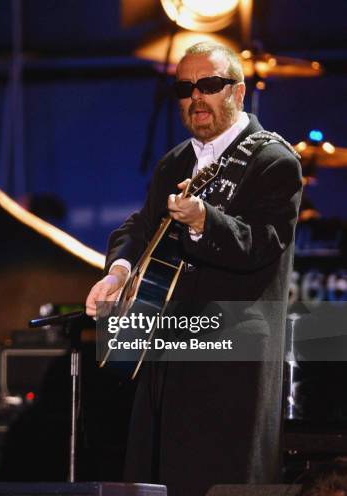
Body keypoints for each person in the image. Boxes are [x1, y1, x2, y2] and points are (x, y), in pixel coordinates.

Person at [86, 42, 302, 496]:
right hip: (165, 355)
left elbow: (262, 243)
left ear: (238, 94)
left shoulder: (274, 161)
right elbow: (140, 225)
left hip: (230, 360)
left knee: (220, 483)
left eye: (210, 85)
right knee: (157, 481)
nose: (196, 97)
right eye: (185, 88)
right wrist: (119, 271)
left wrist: (206, 221)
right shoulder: (176, 162)